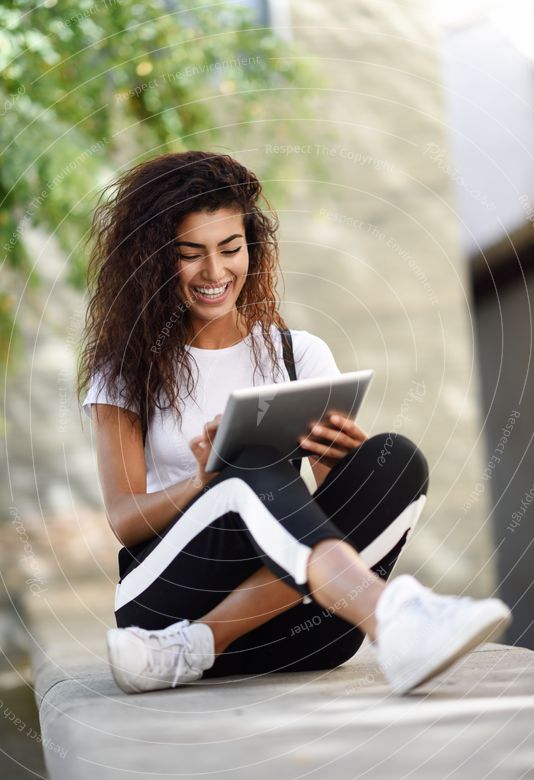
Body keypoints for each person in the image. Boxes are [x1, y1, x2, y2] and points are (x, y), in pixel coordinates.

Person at [78, 150, 511, 698]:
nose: (215, 273)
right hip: (164, 602)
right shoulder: (126, 370)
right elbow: (123, 518)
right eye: (191, 254)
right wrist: (203, 481)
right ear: (155, 260)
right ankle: (392, 619)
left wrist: (340, 459)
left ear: (251, 249)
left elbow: (330, 516)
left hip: (300, 634)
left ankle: (197, 648)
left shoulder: (296, 355)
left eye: (230, 249)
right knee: (249, 462)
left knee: (395, 458)